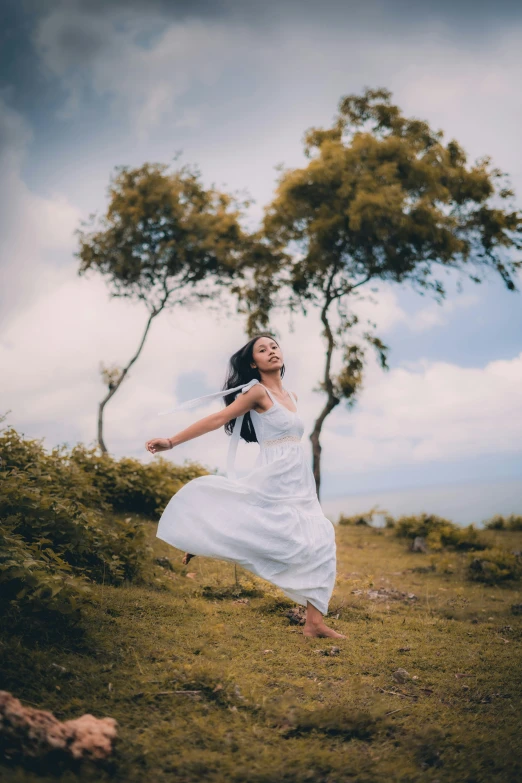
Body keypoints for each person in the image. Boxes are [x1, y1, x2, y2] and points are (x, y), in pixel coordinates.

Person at [145, 333, 345, 639]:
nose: (271, 352)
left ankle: (314, 622)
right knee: (271, 526)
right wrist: (171, 441)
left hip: (299, 479)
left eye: (274, 347)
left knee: (320, 537)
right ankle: (204, 536)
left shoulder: (292, 397)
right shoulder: (257, 392)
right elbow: (219, 418)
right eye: (262, 350)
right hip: (274, 474)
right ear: (254, 362)